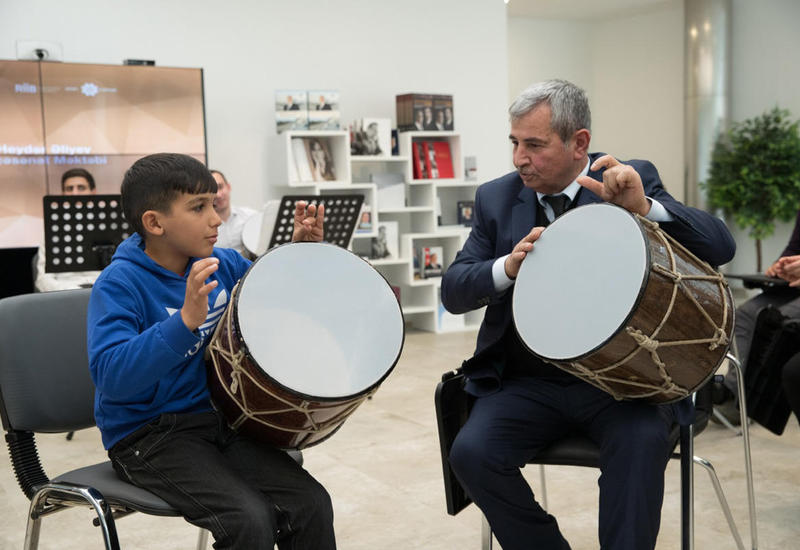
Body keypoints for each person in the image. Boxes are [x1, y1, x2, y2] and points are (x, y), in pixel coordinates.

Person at [440, 79, 735, 550]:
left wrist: (646, 208)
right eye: (515, 143)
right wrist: (507, 268)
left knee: (639, 447)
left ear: (579, 143)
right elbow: (454, 291)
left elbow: (720, 246)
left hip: (628, 385)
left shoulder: (627, 178)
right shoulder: (497, 198)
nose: (519, 158)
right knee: (471, 453)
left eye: (534, 145)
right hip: (527, 382)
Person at [87, 153, 335, 550]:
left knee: (311, 504)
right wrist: (183, 322)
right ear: (155, 223)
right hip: (145, 436)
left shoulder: (221, 261)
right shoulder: (119, 284)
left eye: (213, 203)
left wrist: (297, 255)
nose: (216, 218)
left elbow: (268, 301)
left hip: (216, 420)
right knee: (248, 521)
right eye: (198, 207)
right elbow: (111, 376)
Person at [714, 209, 800, 424]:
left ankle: (758, 402)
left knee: (779, 320)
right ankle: (734, 396)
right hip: (792, 288)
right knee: (745, 314)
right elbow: (794, 249)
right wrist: (781, 267)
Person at [34, 168, 102, 291]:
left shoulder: (107, 224)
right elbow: (42, 279)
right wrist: (71, 291)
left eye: (81, 188)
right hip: (64, 293)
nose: (75, 194)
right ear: (63, 194)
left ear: (93, 192)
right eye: (69, 189)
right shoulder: (53, 228)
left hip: (102, 290)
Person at [210, 169, 256, 255]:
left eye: (220, 187)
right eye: (213, 190)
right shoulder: (204, 226)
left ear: (228, 187)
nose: (218, 195)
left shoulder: (250, 216)